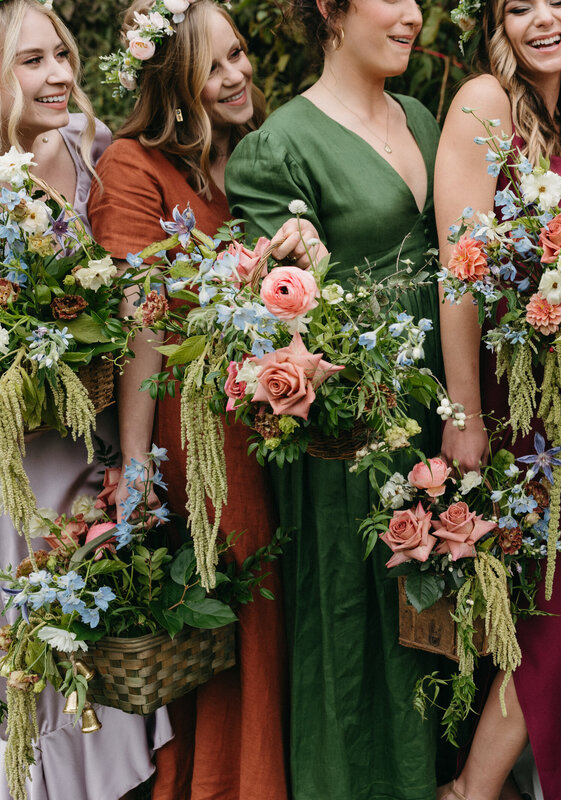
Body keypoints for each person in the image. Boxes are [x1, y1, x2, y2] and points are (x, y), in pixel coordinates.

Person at [224, 0, 448, 797]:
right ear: (331, 8)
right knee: (355, 607)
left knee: (441, 600)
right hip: (350, 426)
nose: (413, 15)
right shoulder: (277, 148)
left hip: (441, 407)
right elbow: (274, 316)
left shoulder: (424, 117)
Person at [87, 2, 308, 798]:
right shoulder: (133, 166)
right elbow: (141, 320)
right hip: (193, 430)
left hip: (269, 417)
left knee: (269, 613)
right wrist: (138, 462)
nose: (239, 74)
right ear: (175, 82)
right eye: (214, 66)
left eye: (240, 54)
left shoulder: (253, 159)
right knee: (219, 619)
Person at [0, 2, 171, 797]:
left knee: (97, 627)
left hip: (89, 449)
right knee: (28, 642)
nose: (60, 73)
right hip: (14, 462)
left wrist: (131, 452)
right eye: (33, 60)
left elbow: (139, 299)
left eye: (62, 53)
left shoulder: (94, 151)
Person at [434, 0, 561, 797]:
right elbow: (461, 261)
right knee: (547, 609)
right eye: (518, 6)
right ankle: (472, 787)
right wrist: (464, 414)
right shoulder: (484, 101)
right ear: (495, 22)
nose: (542, 18)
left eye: (555, 1)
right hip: (510, 392)